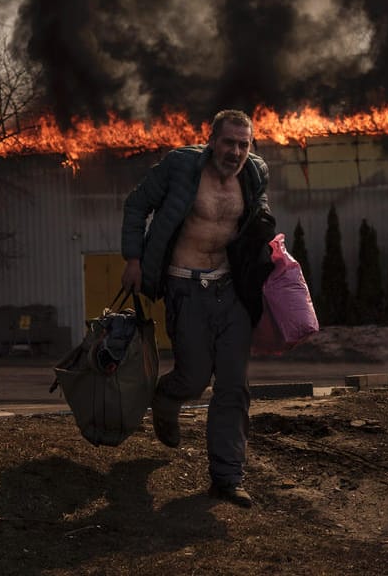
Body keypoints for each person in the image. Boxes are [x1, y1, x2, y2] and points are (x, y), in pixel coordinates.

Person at [119, 108, 275, 507]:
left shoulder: (255, 174)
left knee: (233, 386)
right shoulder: (180, 167)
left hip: (230, 290)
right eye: (229, 142)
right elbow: (137, 205)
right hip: (184, 287)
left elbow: (257, 222)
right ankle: (168, 397)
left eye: (244, 144)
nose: (236, 151)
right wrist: (133, 259)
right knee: (194, 377)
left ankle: (226, 477)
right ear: (211, 141)